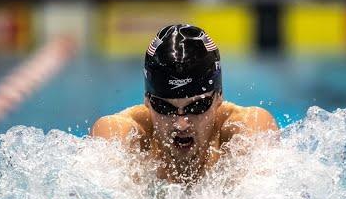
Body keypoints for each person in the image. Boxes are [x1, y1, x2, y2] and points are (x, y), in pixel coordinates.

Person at [91, 24, 278, 184]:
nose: (181, 124)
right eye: (164, 107)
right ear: (147, 100)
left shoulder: (247, 126)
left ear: (218, 96)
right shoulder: (119, 132)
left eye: (197, 107)